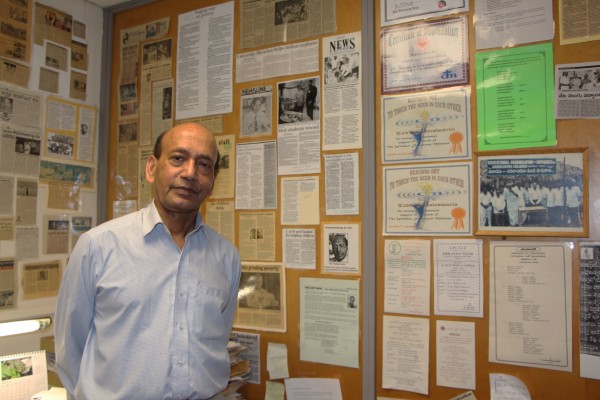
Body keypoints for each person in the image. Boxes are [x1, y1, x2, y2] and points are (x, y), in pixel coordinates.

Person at [55, 122, 242, 400]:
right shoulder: (98, 246)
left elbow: (217, 338)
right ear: (152, 168)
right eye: (178, 158)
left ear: (213, 181)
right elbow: (71, 352)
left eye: (204, 165)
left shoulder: (226, 257)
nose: (190, 173)